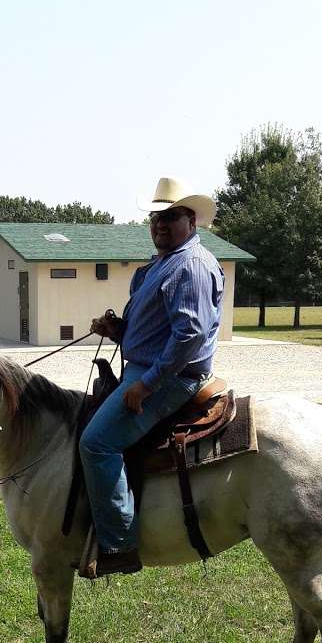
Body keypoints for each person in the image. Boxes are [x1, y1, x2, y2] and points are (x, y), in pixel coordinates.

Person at [78, 177, 225, 579]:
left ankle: (119, 545)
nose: (160, 224)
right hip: (146, 368)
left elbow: (189, 335)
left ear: (191, 221)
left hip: (171, 378)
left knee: (96, 443)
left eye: (171, 216)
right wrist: (118, 330)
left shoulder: (191, 265)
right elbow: (158, 330)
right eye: (156, 217)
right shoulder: (158, 266)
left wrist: (147, 384)